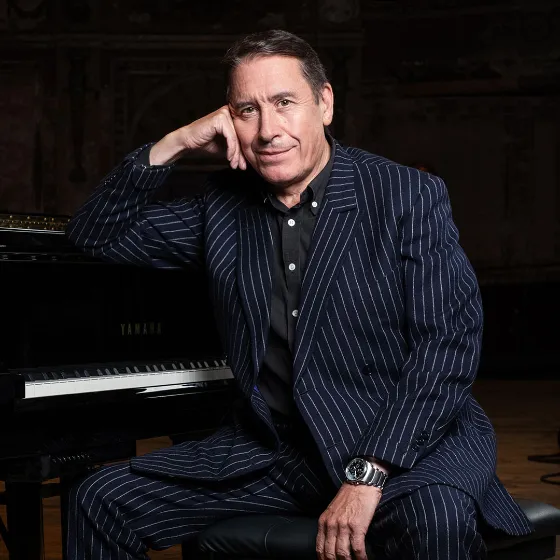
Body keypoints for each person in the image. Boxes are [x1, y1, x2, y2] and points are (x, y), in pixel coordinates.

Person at [65, 29, 532, 560]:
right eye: (247, 110)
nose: (268, 131)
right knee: (98, 500)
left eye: (284, 102)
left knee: (437, 521)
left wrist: (368, 474)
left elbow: (446, 347)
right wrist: (176, 142)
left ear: (324, 104)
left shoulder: (405, 195)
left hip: (403, 449)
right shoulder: (221, 208)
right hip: (277, 456)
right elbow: (94, 234)